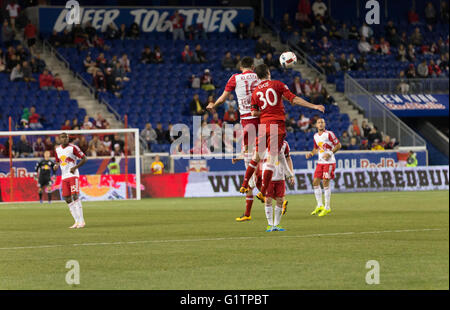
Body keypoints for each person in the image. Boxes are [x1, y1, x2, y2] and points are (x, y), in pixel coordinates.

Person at [240, 64, 325, 200]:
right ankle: (262, 191)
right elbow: (294, 99)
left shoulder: (255, 92)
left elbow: (254, 112)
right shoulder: (277, 84)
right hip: (275, 126)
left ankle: (244, 184)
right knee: (271, 160)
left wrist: (266, 111)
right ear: (268, 73)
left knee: (256, 157)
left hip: (263, 126)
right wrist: (314, 106)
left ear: (257, 76)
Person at [206, 56, 260, 222]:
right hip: (262, 118)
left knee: (250, 166)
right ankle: (260, 201)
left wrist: (213, 105)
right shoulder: (258, 77)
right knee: (262, 160)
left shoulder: (235, 78)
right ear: (252, 66)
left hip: (246, 119)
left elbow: (223, 97)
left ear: (240, 66)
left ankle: (260, 197)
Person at [306, 118, 341, 217]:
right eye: (319, 122)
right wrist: (311, 154)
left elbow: (338, 145)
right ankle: (320, 205)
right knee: (315, 182)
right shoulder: (315, 136)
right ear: (316, 125)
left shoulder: (329, 134)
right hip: (320, 162)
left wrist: (329, 153)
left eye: (322, 122)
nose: (320, 124)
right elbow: (316, 148)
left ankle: (327, 207)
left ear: (325, 124)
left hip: (329, 162)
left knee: (325, 182)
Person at [54, 132, 87, 229]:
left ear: (68, 138)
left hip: (73, 175)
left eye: (66, 137)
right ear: (59, 139)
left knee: (75, 195)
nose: (64, 139)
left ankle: (82, 220)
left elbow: (84, 158)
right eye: (62, 137)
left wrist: (75, 167)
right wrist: (56, 165)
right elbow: (58, 161)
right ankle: (76, 221)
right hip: (64, 177)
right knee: (67, 198)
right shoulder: (57, 150)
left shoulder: (73, 148)